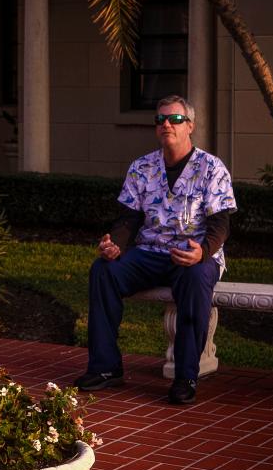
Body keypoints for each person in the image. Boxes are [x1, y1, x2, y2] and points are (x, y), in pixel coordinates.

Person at [74, 95, 236, 405]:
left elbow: (221, 225)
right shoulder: (142, 167)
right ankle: (105, 368)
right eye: (160, 119)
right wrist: (115, 245)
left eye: (174, 119)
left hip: (193, 254)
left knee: (194, 279)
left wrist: (202, 252)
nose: (166, 124)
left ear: (190, 126)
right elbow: (129, 218)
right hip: (150, 253)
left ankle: (185, 377)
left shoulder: (211, 168)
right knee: (104, 270)